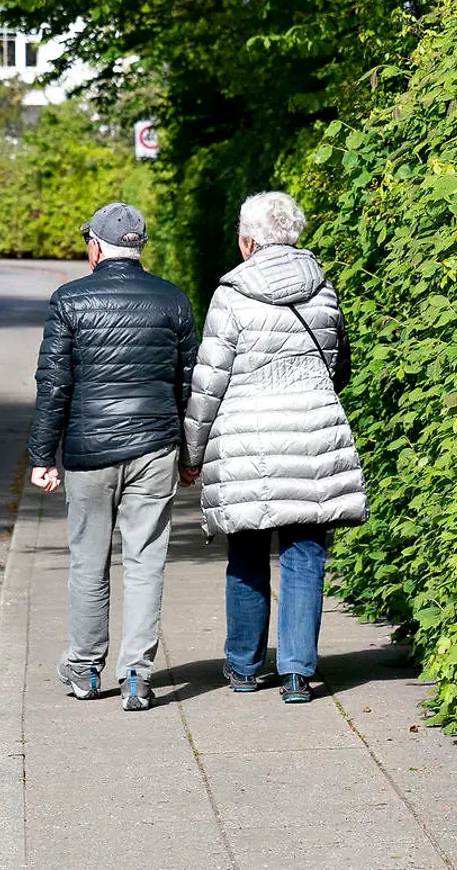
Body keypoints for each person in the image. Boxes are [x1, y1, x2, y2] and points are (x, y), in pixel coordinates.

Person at [181, 191, 368, 704]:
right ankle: (296, 674)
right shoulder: (324, 289)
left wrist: (191, 452)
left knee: (245, 550)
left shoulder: (232, 293)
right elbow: (339, 367)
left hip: (246, 442)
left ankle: (243, 667)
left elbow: (208, 382)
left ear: (247, 241)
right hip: (313, 434)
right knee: (306, 553)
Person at [28, 202, 198, 712]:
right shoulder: (173, 301)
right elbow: (190, 385)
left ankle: (84, 667)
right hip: (155, 447)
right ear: (138, 247)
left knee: (88, 560)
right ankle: (136, 676)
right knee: (146, 562)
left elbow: (54, 384)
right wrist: (190, 454)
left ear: (96, 247)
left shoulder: (69, 301)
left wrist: (42, 454)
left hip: (88, 450)